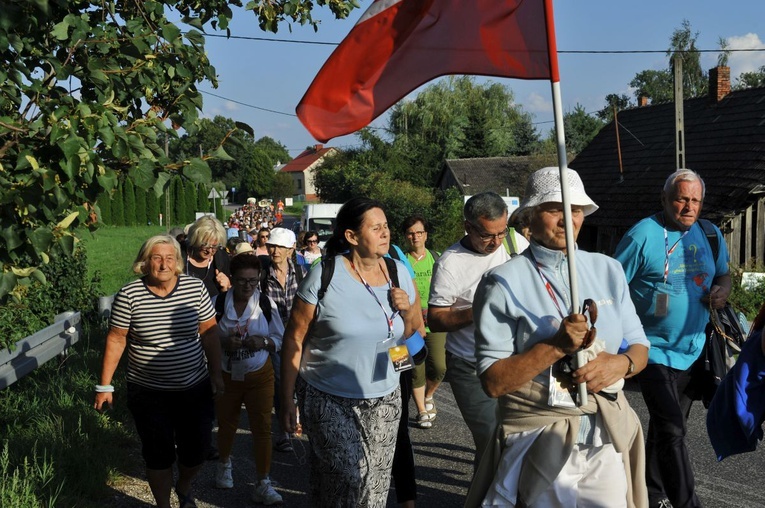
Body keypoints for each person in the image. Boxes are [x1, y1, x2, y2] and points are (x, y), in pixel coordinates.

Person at [469, 166, 650, 507]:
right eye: (555, 209)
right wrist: (555, 347)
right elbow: (493, 383)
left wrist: (621, 364)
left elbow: (641, 347)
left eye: (576, 210)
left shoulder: (608, 269)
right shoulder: (501, 282)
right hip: (538, 434)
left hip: (603, 437)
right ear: (529, 217)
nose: (568, 219)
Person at [280, 197, 420, 507]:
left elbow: (414, 333)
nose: (385, 233)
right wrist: (287, 398)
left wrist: (407, 309)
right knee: (349, 480)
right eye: (375, 228)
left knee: (374, 486)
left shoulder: (398, 272)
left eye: (386, 227)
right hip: (329, 396)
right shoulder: (325, 275)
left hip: (386, 397)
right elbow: (294, 338)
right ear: (352, 236)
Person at [613, 168, 731, 508]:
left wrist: (722, 289)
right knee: (673, 429)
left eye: (695, 200)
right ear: (665, 199)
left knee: (667, 426)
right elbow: (609, 287)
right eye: (681, 198)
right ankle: (687, 502)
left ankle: (652, 493)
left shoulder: (709, 234)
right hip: (650, 349)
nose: (689, 206)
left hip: (693, 348)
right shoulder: (642, 236)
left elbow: (723, 273)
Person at [93, 235, 223, 508]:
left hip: (194, 388)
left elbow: (210, 333)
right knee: (157, 453)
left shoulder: (194, 288)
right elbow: (117, 339)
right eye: (156, 258)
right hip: (148, 391)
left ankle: (184, 484)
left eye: (169, 258)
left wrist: (216, 374)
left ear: (177, 262)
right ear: (145, 262)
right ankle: (163, 504)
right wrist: (105, 386)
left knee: (196, 451)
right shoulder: (129, 295)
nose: (163, 264)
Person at [427, 191, 527, 470]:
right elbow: (435, 320)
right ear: (468, 227)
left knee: (524, 438)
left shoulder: (514, 242)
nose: (496, 242)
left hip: (516, 359)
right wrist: (477, 310)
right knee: (493, 440)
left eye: (501, 232)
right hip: (471, 365)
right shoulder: (450, 263)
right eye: (486, 235)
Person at [214, 253, 285, 505]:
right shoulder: (219, 303)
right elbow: (204, 338)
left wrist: (263, 341)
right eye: (242, 281)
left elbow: (280, 339)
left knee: (262, 428)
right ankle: (224, 464)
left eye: (253, 281)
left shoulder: (266, 304)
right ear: (231, 279)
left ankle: (263, 482)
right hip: (227, 374)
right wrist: (223, 341)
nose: (248, 286)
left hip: (259, 375)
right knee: (227, 424)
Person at [402, 214, 447, 429]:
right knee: (415, 368)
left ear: (426, 235)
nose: (415, 236)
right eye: (411, 233)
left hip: (434, 322)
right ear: (406, 236)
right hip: (410, 324)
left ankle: (429, 395)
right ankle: (421, 410)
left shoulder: (437, 258)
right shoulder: (402, 261)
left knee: (439, 366)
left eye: (419, 232)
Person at [264, 227, 303, 452]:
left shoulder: (301, 272)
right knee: (281, 384)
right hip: (275, 337)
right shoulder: (263, 273)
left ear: (291, 249)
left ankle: (297, 419)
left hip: (299, 335)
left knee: (301, 381)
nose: (275, 250)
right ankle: (284, 432)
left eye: (280, 246)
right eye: (272, 245)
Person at [182, 215, 232, 304]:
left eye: (214, 246)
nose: (209, 251)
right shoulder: (179, 255)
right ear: (195, 239)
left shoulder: (221, 258)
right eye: (205, 245)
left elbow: (230, 302)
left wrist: (227, 288)